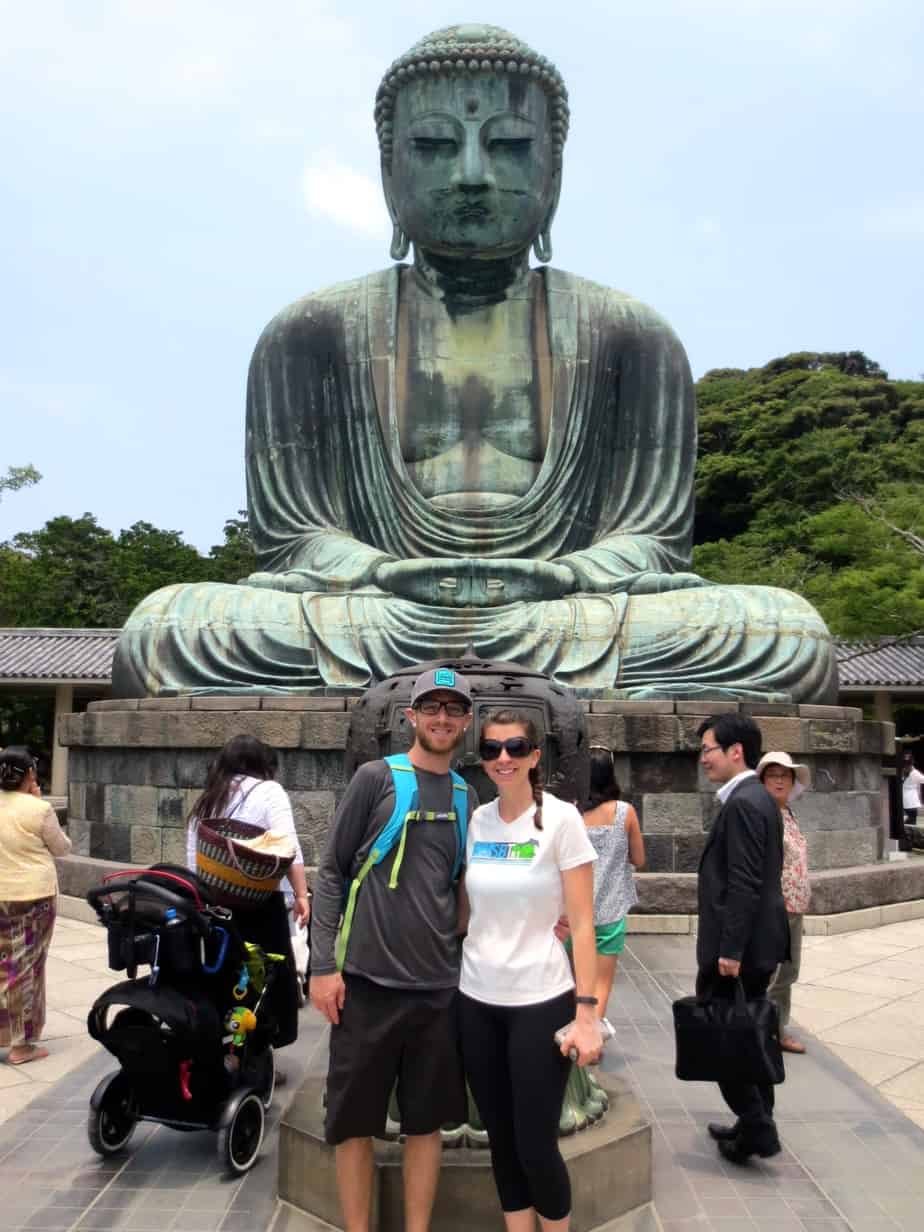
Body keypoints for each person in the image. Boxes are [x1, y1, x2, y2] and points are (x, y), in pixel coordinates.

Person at [113, 24, 837, 705]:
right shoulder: (311, 333)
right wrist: (377, 570)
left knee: (785, 633)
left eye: (509, 146)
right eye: (432, 144)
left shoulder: (630, 335)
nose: (469, 175)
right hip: (382, 611)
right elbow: (295, 535)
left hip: (564, 610)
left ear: (553, 170)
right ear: (388, 168)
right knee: (168, 629)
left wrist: (567, 574)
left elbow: (651, 540)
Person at [309, 668, 478, 1232]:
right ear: (411, 716)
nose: (442, 719)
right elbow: (331, 872)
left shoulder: (465, 795)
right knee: (354, 1122)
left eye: (453, 710)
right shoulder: (374, 778)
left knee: (425, 1124)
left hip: (436, 988)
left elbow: (463, 889)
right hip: (366, 984)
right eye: (432, 708)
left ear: (466, 723)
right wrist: (323, 966)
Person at [458, 709, 601, 1232]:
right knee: (500, 1137)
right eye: (493, 749)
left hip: (540, 1000)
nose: (503, 758)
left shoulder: (563, 820)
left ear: (535, 756)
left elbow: (583, 924)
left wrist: (587, 1015)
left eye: (516, 748)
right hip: (476, 997)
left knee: (536, 1143)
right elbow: (467, 909)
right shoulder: (478, 821)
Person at [695, 714, 789, 1165]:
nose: (703, 758)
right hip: (756, 944)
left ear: (736, 751)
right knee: (749, 1036)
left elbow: (745, 881)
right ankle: (754, 1120)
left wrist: (729, 950)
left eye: (708, 749)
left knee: (726, 1038)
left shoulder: (746, 803)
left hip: (742, 950)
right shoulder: (756, 798)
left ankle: (757, 1127)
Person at [187, 734, 309, 1061]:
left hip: (214, 905)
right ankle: (255, 1054)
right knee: (264, 978)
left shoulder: (209, 798)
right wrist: (301, 894)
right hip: (259, 906)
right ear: (263, 765)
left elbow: (193, 858)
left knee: (225, 975)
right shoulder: (269, 792)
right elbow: (287, 845)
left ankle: (223, 1047)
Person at [0, 746, 72, 1065]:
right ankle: (21, 1044)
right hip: (33, 897)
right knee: (25, 966)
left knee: (3, 964)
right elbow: (63, 848)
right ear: (29, 774)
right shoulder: (38, 810)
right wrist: (38, 801)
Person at [578, 746, 645, 1024]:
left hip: (573, 912)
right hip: (610, 911)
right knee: (601, 983)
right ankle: (592, 1038)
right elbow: (639, 859)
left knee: (574, 980)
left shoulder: (569, 813)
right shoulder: (624, 812)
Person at [757, 751, 811, 1055]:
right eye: (773, 775)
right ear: (763, 780)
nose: (779, 781)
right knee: (770, 973)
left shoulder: (788, 813)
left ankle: (777, 1028)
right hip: (775, 907)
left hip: (795, 905)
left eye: (785, 775)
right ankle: (760, 1031)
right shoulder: (764, 814)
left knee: (787, 974)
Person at [902, 751, 924, 826]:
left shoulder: (902, 771)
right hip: (911, 801)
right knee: (912, 821)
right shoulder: (915, 773)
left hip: (904, 799)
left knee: (909, 820)